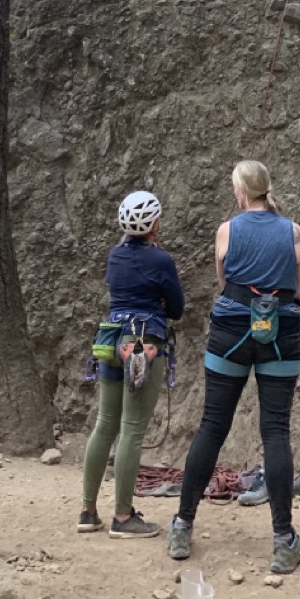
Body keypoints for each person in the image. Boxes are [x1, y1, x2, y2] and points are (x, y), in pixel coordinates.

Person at [168, 161, 300, 576]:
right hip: (281, 331)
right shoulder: (295, 232)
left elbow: (222, 278)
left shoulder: (227, 230)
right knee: (276, 430)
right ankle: (284, 541)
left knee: (212, 425)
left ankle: (182, 526)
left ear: (242, 192)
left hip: (231, 330)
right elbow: (298, 289)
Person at [79, 190, 185, 539]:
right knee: (132, 427)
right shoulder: (162, 261)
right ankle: (123, 517)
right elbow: (176, 309)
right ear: (154, 224)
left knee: (105, 424)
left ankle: (88, 511)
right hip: (143, 343)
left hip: (110, 340)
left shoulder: (115, 256)